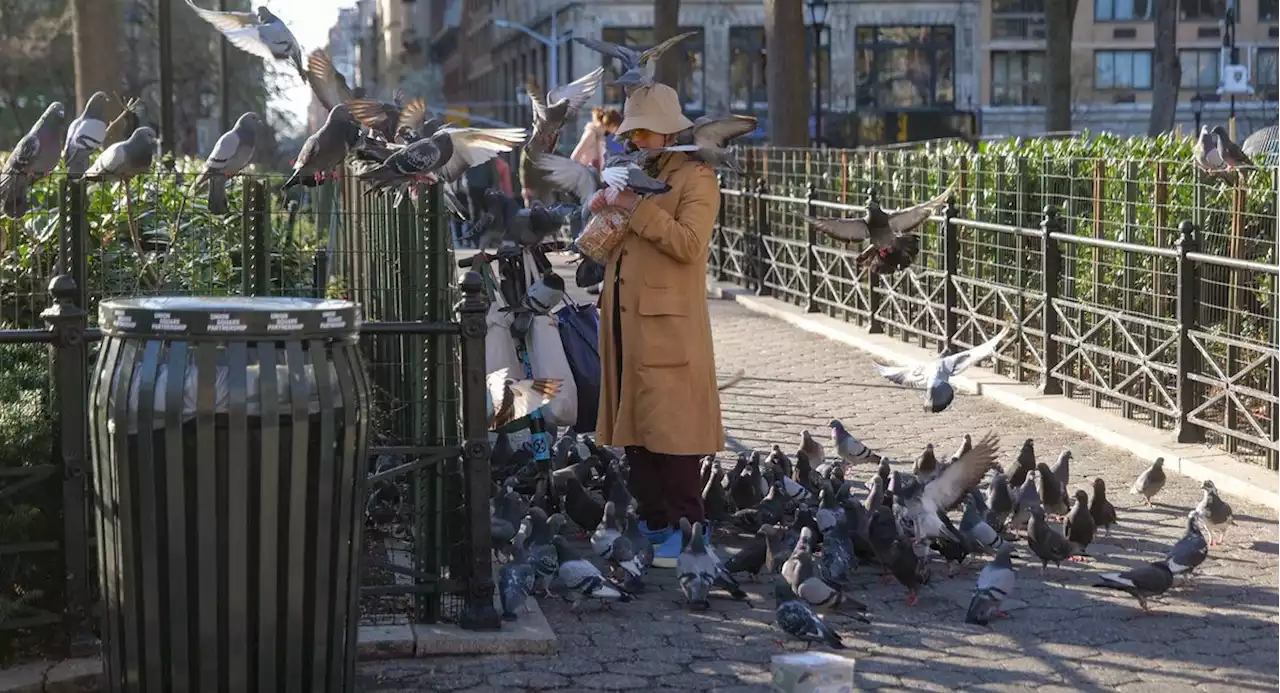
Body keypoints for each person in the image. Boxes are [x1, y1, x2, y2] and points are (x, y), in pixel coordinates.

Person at [588, 83, 724, 563]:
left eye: (645, 131)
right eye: (634, 131)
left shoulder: (698, 178)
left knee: (674, 431)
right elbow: (619, 242)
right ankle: (651, 521)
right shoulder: (636, 171)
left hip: (668, 324)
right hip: (626, 320)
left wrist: (635, 208)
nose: (636, 139)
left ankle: (687, 532)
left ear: (668, 132)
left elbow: (689, 245)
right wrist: (601, 213)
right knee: (635, 428)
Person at [570, 107, 623, 172]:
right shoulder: (591, 134)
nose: (617, 131)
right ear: (612, 125)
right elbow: (574, 157)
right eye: (617, 127)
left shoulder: (600, 136)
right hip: (586, 177)